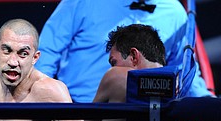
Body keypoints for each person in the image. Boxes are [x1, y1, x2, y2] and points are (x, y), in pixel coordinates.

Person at [36, 0, 212, 102]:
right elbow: (47, 52)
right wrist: (45, 102)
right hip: (78, 110)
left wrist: (208, 104)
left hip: (144, 117)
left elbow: (183, 69)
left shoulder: (174, 12)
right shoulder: (81, 2)